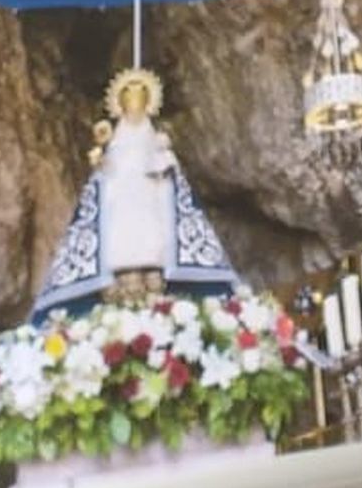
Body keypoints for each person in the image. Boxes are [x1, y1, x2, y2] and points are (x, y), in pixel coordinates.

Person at [31, 65, 240, 320]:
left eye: (139, 99)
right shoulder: (116, 139)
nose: (134, 104)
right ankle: (122, 283)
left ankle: (153, 282)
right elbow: (106, 176)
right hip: (121, 206)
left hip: (149, 204)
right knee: (121, 243)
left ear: (148, 103)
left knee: (153, 244)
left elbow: (166, 171)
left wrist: (162, 161)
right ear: (120, 104)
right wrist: (100, 161)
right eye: (129, 99)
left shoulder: (154, 138)